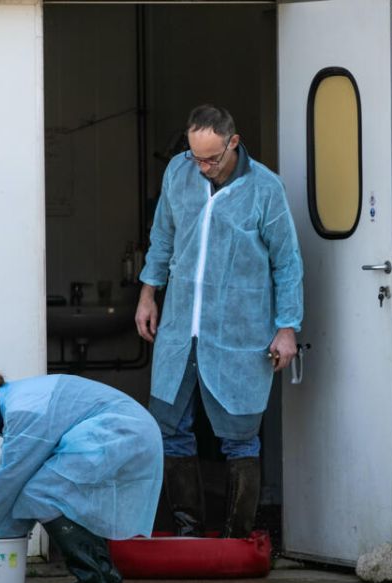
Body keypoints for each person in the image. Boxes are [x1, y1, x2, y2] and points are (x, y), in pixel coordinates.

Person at [135, 104, 304, 539]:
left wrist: (287, 327)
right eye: (196, 157)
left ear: (234, 141)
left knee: (240, 437)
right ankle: (188, 529)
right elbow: (163, 236)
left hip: (240, 330)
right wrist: (148, 292)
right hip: (180, 327)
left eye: (212, 158)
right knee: (170, 429)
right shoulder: (179, 172)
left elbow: (287, 262)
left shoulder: (265, 188)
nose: (204, 167)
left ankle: (237, 537)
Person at [0, 373, 163, 583]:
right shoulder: (18, 401)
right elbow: (18, 482)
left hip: (121, 431)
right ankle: (104, 573)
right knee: (39, 490)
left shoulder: (22, 412)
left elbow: (9, 478)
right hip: (127, 429)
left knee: (41, 493)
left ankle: (92, 580)